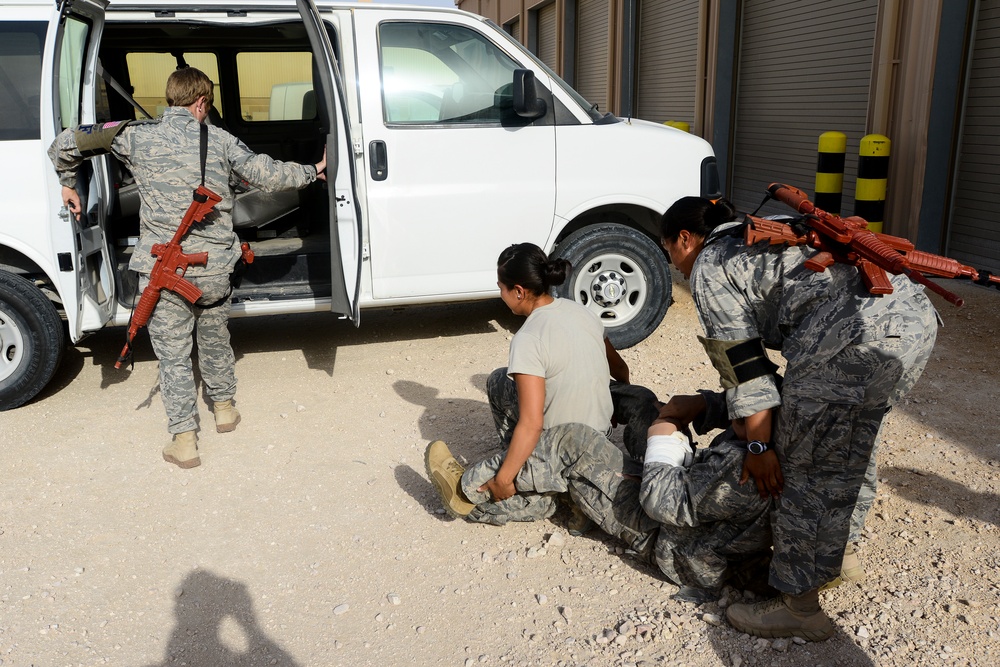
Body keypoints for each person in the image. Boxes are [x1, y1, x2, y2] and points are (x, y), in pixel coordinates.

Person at [659, 196, 938, 640]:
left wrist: (759, 447)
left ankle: (801, 608)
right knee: (850, 438)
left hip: (849, 337)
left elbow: (746, 372)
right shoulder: (767, 231)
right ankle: (840, 555)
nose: (674, 264)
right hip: (913, 323)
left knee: (801, 465)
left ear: (686, 239)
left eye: (669, 249)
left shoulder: (712, 262)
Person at [48, 67, 326, 469]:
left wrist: (68, 181)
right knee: (215, 336)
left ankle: (183, 438)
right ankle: (225, 406)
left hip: (166, 271)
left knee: (174, 356)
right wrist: (314, 170)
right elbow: (271, 175)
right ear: (201, 102)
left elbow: (65, 144)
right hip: (213, 269)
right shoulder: (222, 140)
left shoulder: (132, 135)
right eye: (208, 105)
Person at [425, 242, 629, 525]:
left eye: (501, 288)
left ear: (519, 291)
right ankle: (550, 485)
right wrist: (612, 407)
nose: (500, 294)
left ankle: (480, 490)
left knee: (489, 485)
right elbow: (620, 368)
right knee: (501, 378)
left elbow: (532, 423)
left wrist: (504, 479)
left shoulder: (530, 337)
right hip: (600, 441)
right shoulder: (580, 311)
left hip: (562, 451)